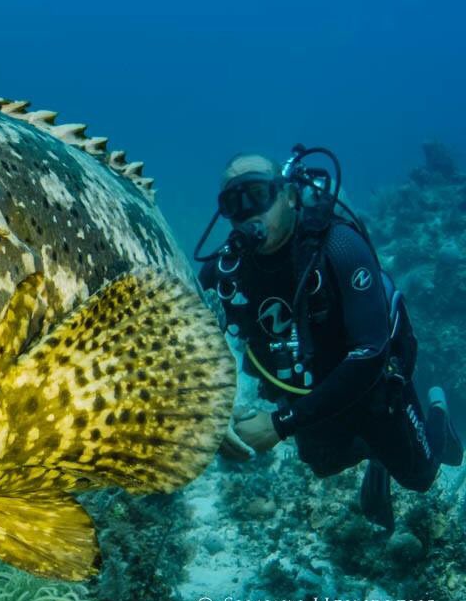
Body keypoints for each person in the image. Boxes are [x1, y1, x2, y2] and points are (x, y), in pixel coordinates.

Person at [196, 151, 463, 530]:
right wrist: (213, 413)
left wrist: (278, 424)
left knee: (421, 477)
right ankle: (376, 456)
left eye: (256, 196)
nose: (247, 214)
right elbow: (186, 337)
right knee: (322, 463)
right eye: (233, 204)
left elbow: (371, 354)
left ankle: (437, 410)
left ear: (289, 196)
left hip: (375, 380)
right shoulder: (227, 270)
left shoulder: (339, 246)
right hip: (312, 386)